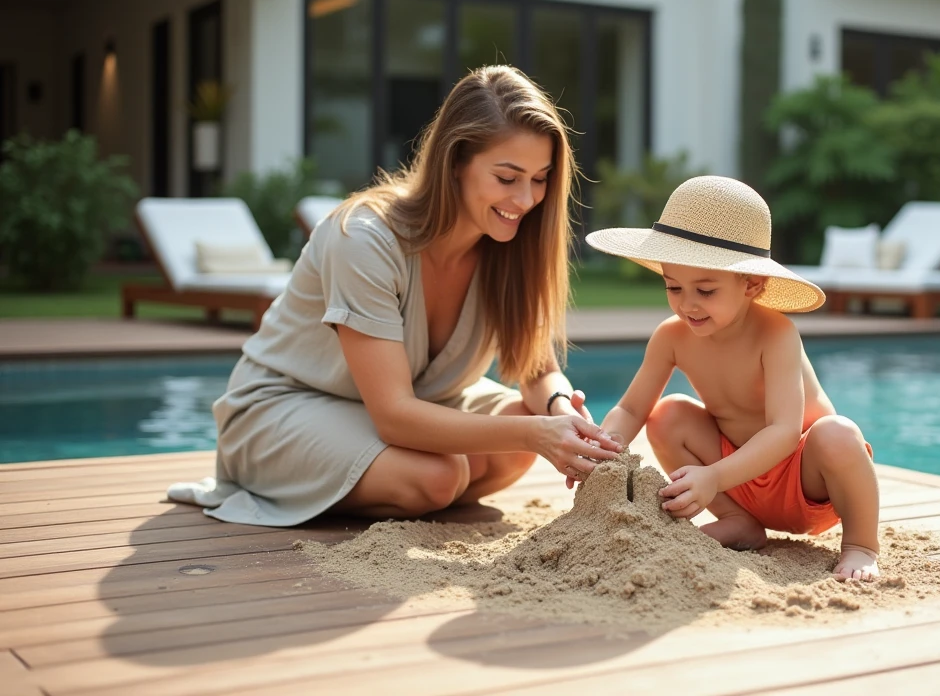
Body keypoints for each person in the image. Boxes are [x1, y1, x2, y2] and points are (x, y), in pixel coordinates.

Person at [167, 65, 621, 526]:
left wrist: (562, 413)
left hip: (412, 407)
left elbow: (537, 369)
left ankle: (396, 483)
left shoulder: (509, 245)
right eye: (507, 178)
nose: (526, 200)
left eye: (541, 178)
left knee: (510, 450)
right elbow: (394, 415)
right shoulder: (363, 239)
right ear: (455, 162)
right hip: (283, 407)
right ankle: (353, 481)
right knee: (436, 477)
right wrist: (536, 433)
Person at [585, 175, 880, 581]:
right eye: (674, 287)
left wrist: (713, 476)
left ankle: (861, 545)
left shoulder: (776, 335)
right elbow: (631, 407)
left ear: (752, 285)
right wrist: (604, 447)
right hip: (734, 479)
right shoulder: (672, 336)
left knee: (839, 433)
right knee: (667, 413)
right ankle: (737, 520)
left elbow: (783, 431)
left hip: (802, 477)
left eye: (705, 291)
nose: (687, 304)